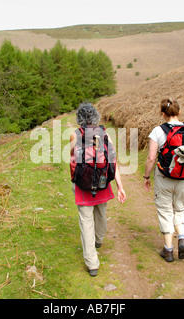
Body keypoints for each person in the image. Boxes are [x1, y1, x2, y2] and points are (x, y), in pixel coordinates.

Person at [143, 98, 184, 262]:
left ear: (163, 114)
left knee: (165, 210)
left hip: (164, 176)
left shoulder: (158, 131)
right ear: (179, 112)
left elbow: (151, 158)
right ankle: (182, 238)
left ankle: (169, 250)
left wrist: (146, 176)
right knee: (181, 208)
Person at [70, 102, 126, 277]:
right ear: (96, 117)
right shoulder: (105, 134)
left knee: (86, 221)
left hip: (82, 185)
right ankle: (98, 240)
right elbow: (113, 162)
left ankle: (92, 264)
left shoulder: (75, 135)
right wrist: (120, 187)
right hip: (102, 182)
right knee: (101, 214)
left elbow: (72, 160)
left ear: (79, 118)